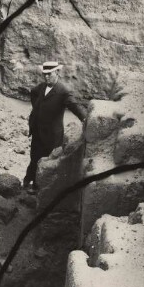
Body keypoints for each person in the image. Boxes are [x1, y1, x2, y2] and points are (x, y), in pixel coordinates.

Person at [23, 61, 87, 192]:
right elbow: (33, 93)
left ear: (57, 72)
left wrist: (84, 118)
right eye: (44, 74)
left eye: (49, 74)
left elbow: (74, 105)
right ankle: (28, 182)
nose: (46, 77)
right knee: (34, 157)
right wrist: (37, 109)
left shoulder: (63, 91)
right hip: (37, 132)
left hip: (52, 135)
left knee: (47, 161)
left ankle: (41, 189)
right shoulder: (41, 87)